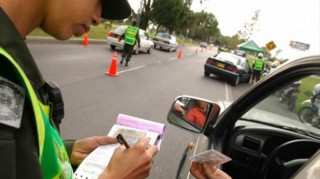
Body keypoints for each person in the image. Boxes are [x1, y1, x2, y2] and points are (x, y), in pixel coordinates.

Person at [0, 0, 157, 178]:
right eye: (98, 1)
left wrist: (65, 153)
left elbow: (17, 153)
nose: (98, 18)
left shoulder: (10, 61)